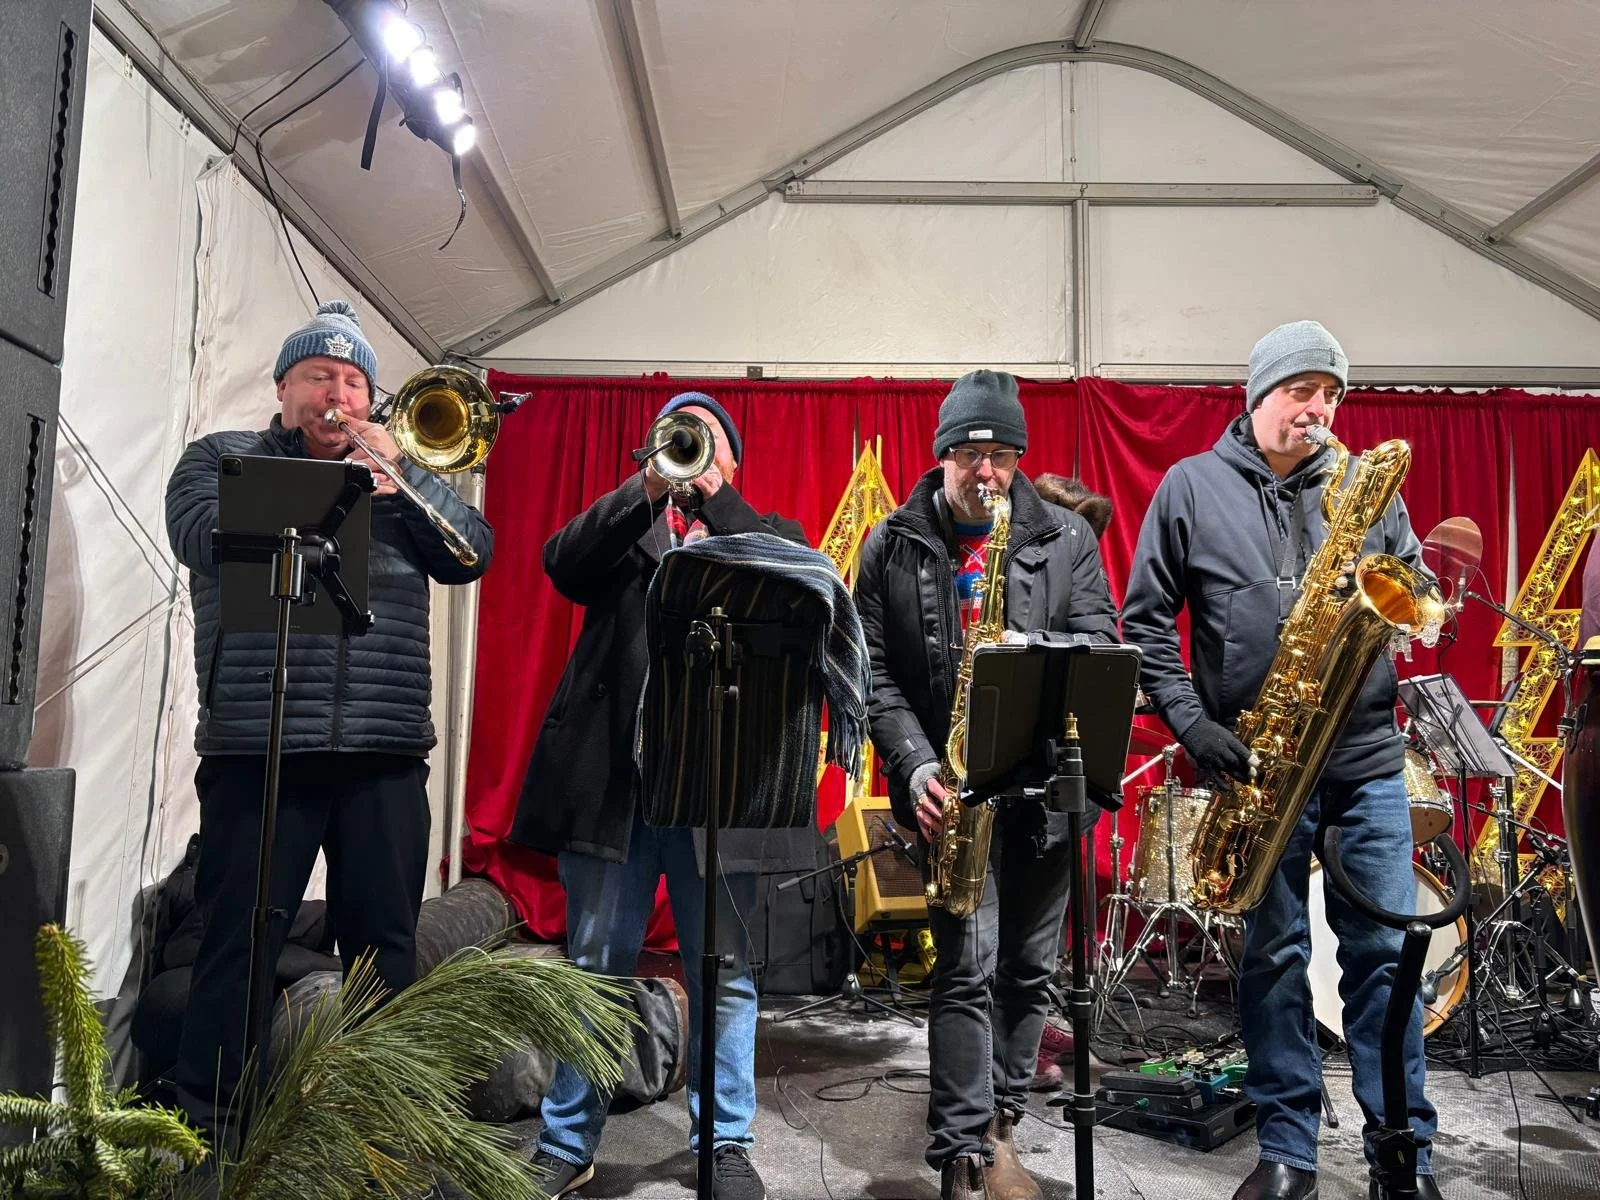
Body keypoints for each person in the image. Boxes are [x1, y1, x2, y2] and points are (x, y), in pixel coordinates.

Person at [1122, 320, 1444, 1200]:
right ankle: (1288, 1153)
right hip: (1257, 768)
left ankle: (1400, 1156)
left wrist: (1412, 608)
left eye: (1333, 395)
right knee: (1271, 962)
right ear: (1260, 392)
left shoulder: (1363, 485)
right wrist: (1192, 724)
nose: (1320, 410)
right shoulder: (1190, 487)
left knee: (1384, 958)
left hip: (1368, 760)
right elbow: (1144, 623)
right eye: (1305, 391)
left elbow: (1417, 589)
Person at [164, 300, 494, 1147]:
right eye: (318, 376)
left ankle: (376, 1127)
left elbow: (474, 555)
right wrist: (328, 491)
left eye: (353, 381)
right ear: (283, 388)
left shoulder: (400, 480)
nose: (336, 395)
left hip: (383, 754)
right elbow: (197, 534)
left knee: (385, 946)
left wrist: (407, 477)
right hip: (259, 747)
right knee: (239, 941)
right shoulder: (222, 458)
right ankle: (208, 1130)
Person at [510, 392, 806, 1200]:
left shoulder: (762, 532)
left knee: (726, 972)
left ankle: (727, 1147)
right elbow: (560, 560)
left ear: (734, 463)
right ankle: (568, 1144)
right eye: (678, 440)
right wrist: (644, 489)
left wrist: (719, 498)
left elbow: (795, 589)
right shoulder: (624, 527)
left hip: (719, 788)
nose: (690, 453)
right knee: (593, 968)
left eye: (707, 442)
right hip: (614, 785)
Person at [856, 370, 1120, 1200]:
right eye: (971, 453)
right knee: (965, 969)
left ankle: (1002, 1119)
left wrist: (1024, 655)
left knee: (1029, 971)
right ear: (941, 457)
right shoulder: (891, 543)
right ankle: (963, 1152)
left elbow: (1099, 646)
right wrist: (918, 765)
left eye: (1003, 455)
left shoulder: (1067, 541)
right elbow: (872, 675)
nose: (987, 471)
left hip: (1042, 795)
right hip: (949, 793)